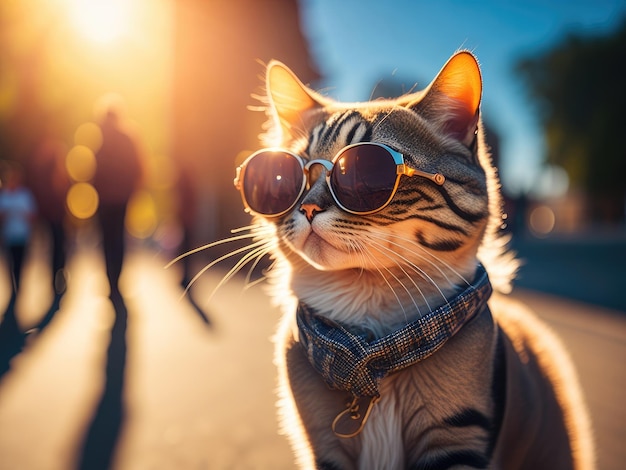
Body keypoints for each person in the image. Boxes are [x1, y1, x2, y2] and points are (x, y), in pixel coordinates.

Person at [93, 102, 143, 294]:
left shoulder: (102, 139)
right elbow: (139, 168)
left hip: (107, 199)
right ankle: (115, 280)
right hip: (120, 198)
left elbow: (95, 171)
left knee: (108, 240)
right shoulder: (127, 139)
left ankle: (111, 281)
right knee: (117, 239)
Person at [0, 167, 37, 293]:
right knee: (10, 263)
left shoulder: (25, 196)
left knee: (19, 262)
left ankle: (19, 284)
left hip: (22, 235)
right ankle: (12, 286)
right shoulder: (4, 196)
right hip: (8, 235)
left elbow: (32, 216)